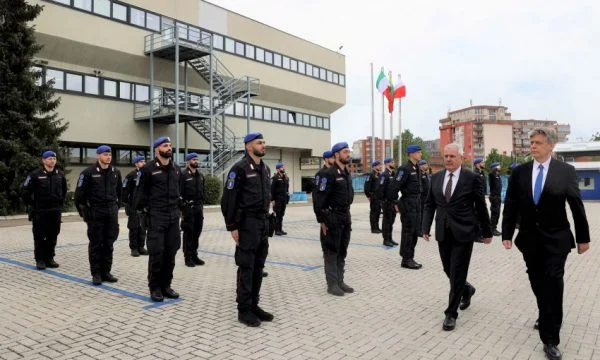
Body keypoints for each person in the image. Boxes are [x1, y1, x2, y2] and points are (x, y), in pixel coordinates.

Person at [502, 127, 590, 360]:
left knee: (553, 283)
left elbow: (576, 205)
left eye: (538, 142)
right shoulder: (520, 172)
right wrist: (506, 233)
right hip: (530, 239)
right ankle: (545, 312)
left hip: (557, 239)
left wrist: (583, 238)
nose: (533, 146)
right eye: (531, 142)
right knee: (536, 279)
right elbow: (510, 204)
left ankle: (550, 339)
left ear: (551, 146)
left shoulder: (565, 171)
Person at [422, 143, 492, 331]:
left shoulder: (471, 178)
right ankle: (466, 289)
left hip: (464, 232)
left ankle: (451, 314)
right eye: (446, 156)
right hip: (443, 232)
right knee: (448, 269)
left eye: (452, 156)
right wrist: (425, 227)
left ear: (461, 158)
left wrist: (487, 231)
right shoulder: (435, 178)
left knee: (457, 271)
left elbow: (480, 206)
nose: (449, 159)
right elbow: (429, 204)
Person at [221, 132, 274, 327]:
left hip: (262, 223)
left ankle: (254, 305)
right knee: (247, 266)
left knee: (259, 266)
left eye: (264, 142)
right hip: (247, 224)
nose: (263, 145)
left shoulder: (265, 169)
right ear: (248, 146)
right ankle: (244, 310)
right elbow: (228, 200)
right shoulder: (239, 169)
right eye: (259, 142)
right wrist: (233, 226)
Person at [133, 136, 182, 302]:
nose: (169, 147)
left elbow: (179, 192)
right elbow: (139, 195)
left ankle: (166, 286)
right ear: (156, 150)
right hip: (156, 217)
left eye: (169, 145)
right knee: (157, 253)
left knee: (171, 253)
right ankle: (155, 288)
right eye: (165, 145)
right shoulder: (147, 169)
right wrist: (143, 213)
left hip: (173, 217)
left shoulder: (176, 168)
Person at [75, 145, 122, 285]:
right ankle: (96, 274)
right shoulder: (88, 173)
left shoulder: (115, 172)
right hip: (96, 213)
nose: (108, 157)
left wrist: (115, 208)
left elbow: (119, 192)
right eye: (105, 154)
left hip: (111, 213)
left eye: (110, 155)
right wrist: (85, 214)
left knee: (109, 243)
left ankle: (106, 272)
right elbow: (79, 197)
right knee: (96, 244)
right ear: (98, 156)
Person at [313, 142, 354, 297]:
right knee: (331, 251)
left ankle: (340, 281)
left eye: (348, 152)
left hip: (345, 216)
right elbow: (318, 201)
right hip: (332, 217)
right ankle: (332, 284)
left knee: (342, 250)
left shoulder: (346, 172)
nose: (348, 154)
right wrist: (323, 221)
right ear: (336, 154)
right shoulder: (327, 174)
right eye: (345, 152)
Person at [21, 150, 67, 270]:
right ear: (43, 160)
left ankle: (49, 258)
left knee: (53, 234)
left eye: (54, 158)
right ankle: (40, 259)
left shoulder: (60, 174)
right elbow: (24, 191)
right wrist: (33, 204)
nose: (52, 160)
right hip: (40, 211)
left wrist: (60, 203)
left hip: (55, 210)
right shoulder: (35, 174)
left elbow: (64, 190)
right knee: (40, 235)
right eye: (49, 158)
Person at [389, 145, 423, 269]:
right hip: (408, 203)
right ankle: (406, 259)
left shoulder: (417, 167)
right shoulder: (404, 169)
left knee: (414, 232)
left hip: (416, 203)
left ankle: (409, 256)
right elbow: (393, 187)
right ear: (411, 154)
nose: (421, 154)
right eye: (418, 152)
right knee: (409, 232)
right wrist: (395, 203)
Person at [180, 152, 206, 267]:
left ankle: (194, 255)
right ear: (188, 161)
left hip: (198, 208)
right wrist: (182, 210)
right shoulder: (183, 175)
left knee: (197, 233)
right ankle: (188, 257)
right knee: (188, 234)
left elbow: (202, 192)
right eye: (194, 159)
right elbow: (179, 193)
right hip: (188, 209)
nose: (196, 161)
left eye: (197, 159)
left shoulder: (200, 175)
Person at [122, 155, 148, 257]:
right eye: (141, 161)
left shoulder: (146, 175)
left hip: (144, 206)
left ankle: (141, 247)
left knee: (142, 228)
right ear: (136, 164)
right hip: (133, 206)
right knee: (134, 228)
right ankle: (134, 248)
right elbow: (125, 191)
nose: (143, 163)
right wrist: (126, 204)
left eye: (144, 161)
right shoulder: (131, 175)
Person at [314, 150, 335, 252]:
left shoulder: (335, 172)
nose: (334, 160)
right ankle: (325, 250)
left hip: (334, 209)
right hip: (325, 209)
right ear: (326, 159)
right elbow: (318, 195)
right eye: (332, 158)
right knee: (325, 231)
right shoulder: (321, 174)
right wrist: (320, 216)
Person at [377, 158, 397, 247]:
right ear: (386, 164)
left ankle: (390, 238)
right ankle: (386, 239)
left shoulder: (393, 174)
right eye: (392, 162)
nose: (394, 163)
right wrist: (383, 200)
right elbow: (380, 189)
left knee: (391, 221)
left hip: (393, 201)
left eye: (393, 161)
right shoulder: (384, 175)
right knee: (387, 221)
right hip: (387, 202)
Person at [364, 160, 383, 234]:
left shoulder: (379, 175)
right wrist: (369, 196)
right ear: (374, 167)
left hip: (379, 197)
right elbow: (366, 187)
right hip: (373, 196)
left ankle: (377, 227)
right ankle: (373, 228)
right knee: (374, 213)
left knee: (378, 212)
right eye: (378, 165)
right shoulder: (370, 175)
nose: (380, 166)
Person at [271, 162, 290, 236]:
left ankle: (280, 229)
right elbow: (272, 189)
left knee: (281, 214)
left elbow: (287, 189)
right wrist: (272, 200)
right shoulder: (275, 178)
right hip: (277, 200)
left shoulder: (285, 177)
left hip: (284, 199)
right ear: (278, 169)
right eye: (282, 167)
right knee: (277, 215)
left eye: (283, 167)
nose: (283, 168)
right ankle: (276, 230)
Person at [488, 162, 502, 236]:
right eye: (498, 166)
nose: (500, 167)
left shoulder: (497, 175)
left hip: (498, 197)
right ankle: (492, 229)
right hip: (494, 197)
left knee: (497, 214)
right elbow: (492, 174)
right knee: (494, 213)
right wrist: (494, 169)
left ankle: (494, 228)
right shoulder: (492, 175)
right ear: (495, 168)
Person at [418, 159, 430, 229]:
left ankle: (423, 229)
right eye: (424, 164)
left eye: (426, 164)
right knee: (421, 213)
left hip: (426, 197)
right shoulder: (419, 174)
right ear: (421, 166)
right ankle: (419, 229)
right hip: (421, 197)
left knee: (425, 214)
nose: (426, 165)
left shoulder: (425, 173)